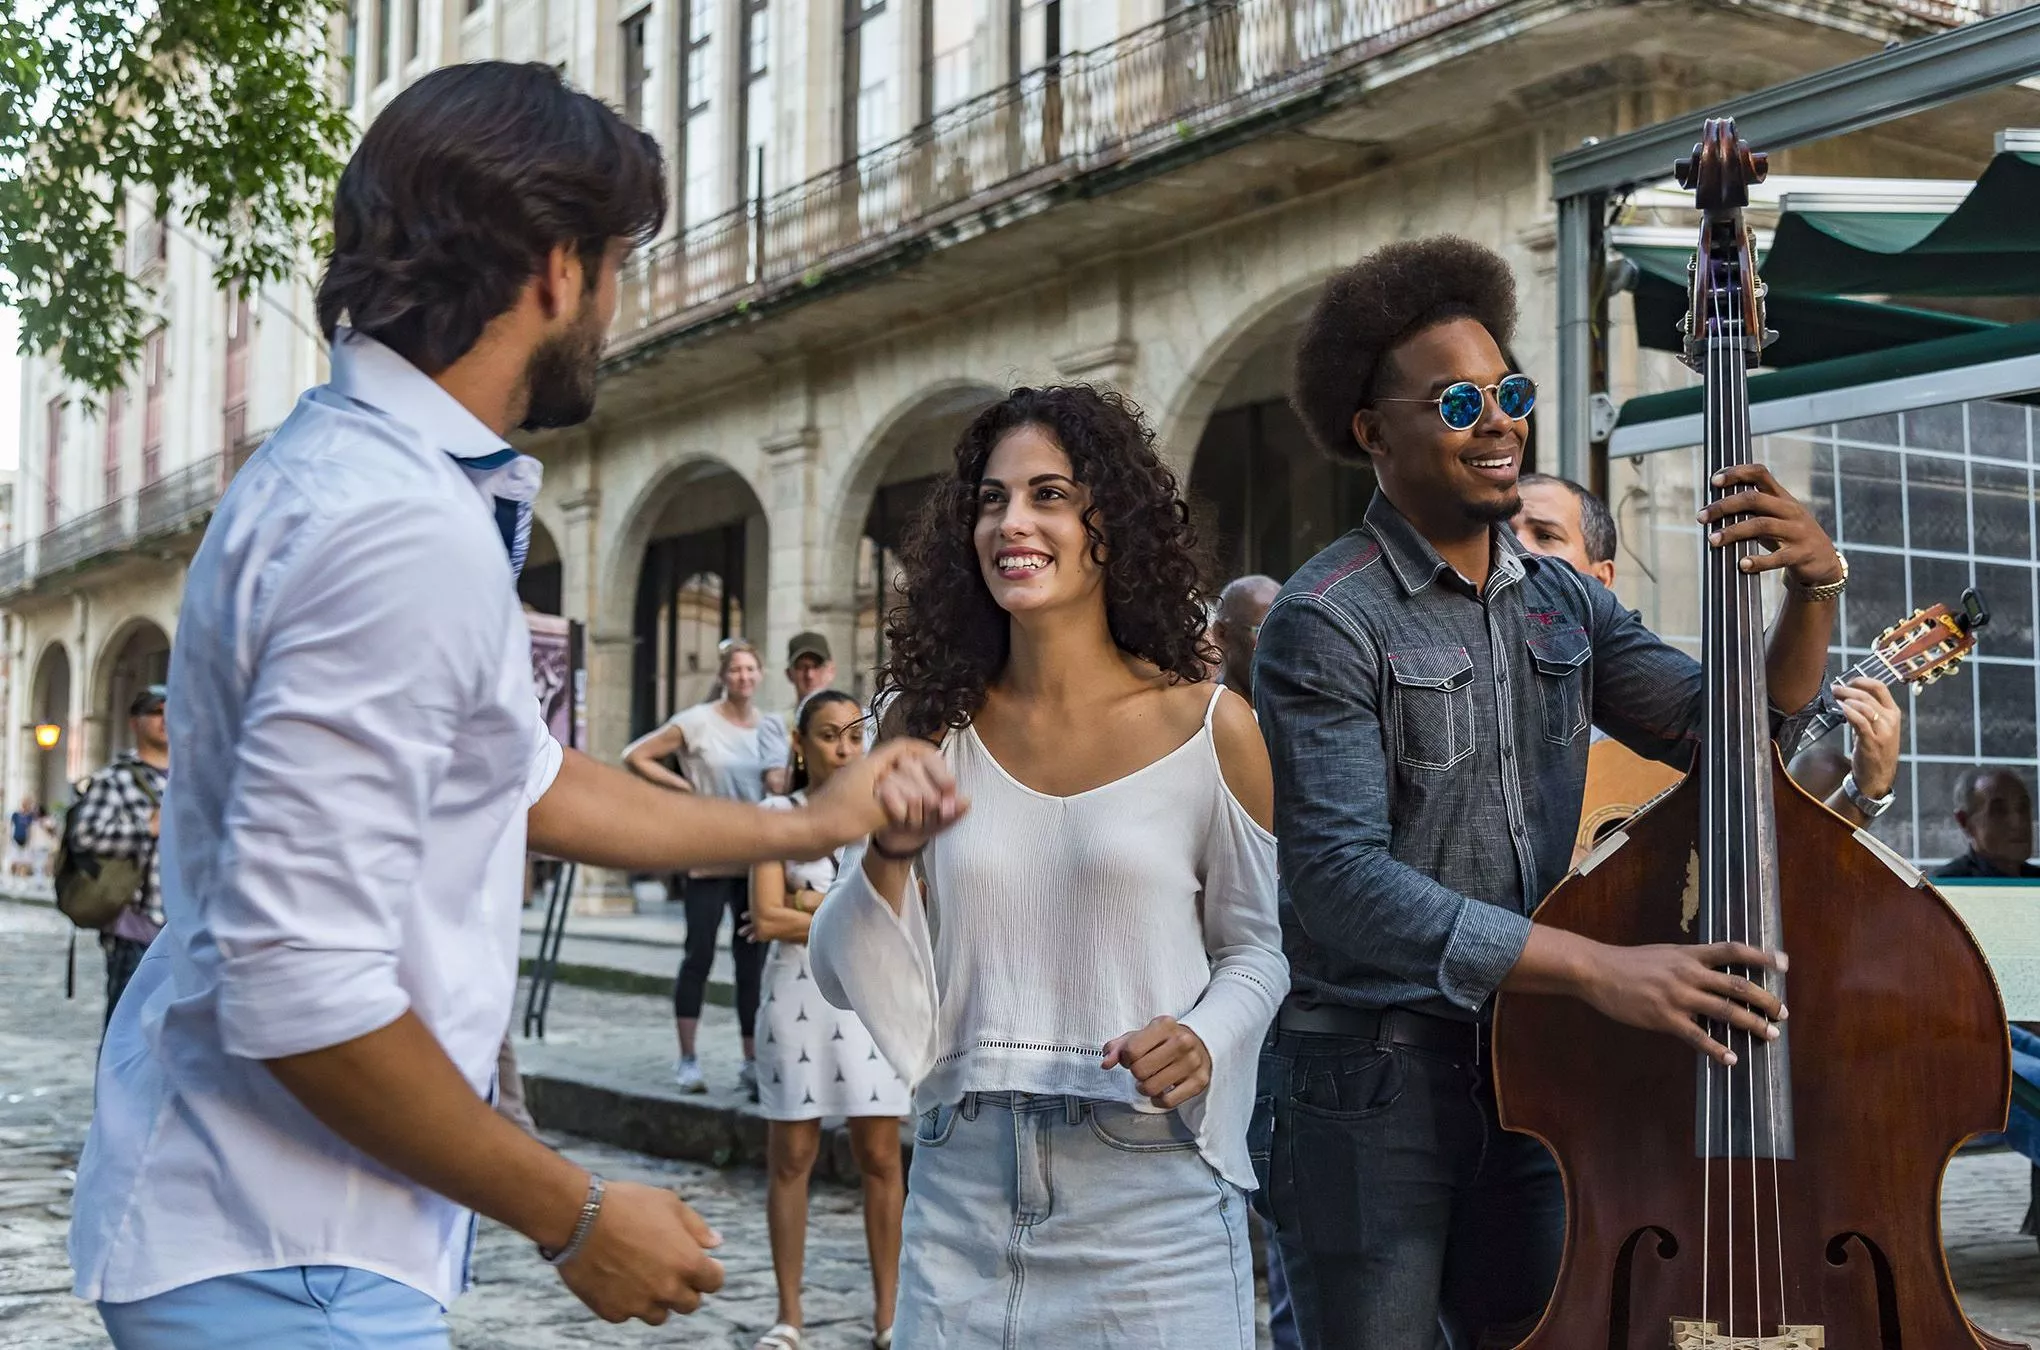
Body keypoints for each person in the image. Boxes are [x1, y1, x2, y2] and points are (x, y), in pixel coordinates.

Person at [69, 62, 961, 1349]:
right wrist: (576, 1212)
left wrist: (812, 819)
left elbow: (529, 779)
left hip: (286, 1242)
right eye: (614, 266)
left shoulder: (359, 477)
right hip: (287, 1255)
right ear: (557, 267)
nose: (614, 305)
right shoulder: (396, 529)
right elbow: (296, 984)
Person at [1255, 235, 1842, 1349]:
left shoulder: (1563, 603)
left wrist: (1813, 586)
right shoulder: (1324, 617)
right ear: (1373, 432)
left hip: (1530, 1067)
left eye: (1511, 391)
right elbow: (1337, 882)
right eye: (1462, 399)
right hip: (1370, 1086)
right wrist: (1602, 971)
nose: (1501, 420)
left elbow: (1735, 741)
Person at [811, 384, 1288, 1348]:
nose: (1012, 522)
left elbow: (1265, 948)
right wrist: (890, 857)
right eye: (991, 499)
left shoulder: (1209, 727)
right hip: (958, 1193)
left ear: (1112, 521)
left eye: (1049, 495)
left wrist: (1204, 1036)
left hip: (1152, 1207)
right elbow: (836, 965)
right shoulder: (921, 721)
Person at [1512, 473, 1903, 831]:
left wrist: (1814, 590)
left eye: (1545, 536)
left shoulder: (1631, 695)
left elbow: (1740, 732)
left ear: (1601, 579)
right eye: (1503, 534)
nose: (1518, 549)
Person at [747, 690, 909, 1350]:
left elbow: (901, 909)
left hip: (871, 999)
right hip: (794, 1001)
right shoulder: (775, 814)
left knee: (880, 1156)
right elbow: (764, 918)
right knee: (791, 1156)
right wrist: (844, 906)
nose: (843, 748)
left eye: (852, 735)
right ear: (800, 741)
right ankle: (788, 1315)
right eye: (828, 735)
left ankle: (889, 1316)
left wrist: (806, 897)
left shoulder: (883, 814)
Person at [624, 638, 786, 1098]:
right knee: (697, 955)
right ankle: (688, 1059)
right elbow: (636, 756)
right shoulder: (696, 722)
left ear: (760, 674)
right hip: (706, 855)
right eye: (735, 670)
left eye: (751, 669)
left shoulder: (770, 727)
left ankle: (751, 1062)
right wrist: (683, 788)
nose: (743, 677)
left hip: (754, 858)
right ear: (722, 675)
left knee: (751, 963)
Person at [68, 685, 171, 1027]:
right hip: (138, 924)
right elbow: (85, 835)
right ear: (135, 721)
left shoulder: (191, 777)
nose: (166, 718)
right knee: (126, 1033)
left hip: (187, 926)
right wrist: (146, 828)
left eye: (172, 710)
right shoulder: (116, 780)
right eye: (156, 711)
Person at [1934, 768, 2039, 878]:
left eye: (2023, 807)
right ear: (1964, 821)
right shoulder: (1946, 887)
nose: (2018, 822)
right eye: (1999, 811)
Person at [1212, 575, 1280, 697]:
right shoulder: (1200, 711)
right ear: (1222, 634)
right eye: (1263, 631)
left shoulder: (1301, 710)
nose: (1280, 644)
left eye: (1285, 631)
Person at [784, 633, 838, 705]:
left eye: (817, 666)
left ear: (831, 671)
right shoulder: (778, 716)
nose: (810, 675)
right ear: (789, 674)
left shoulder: (850, 715)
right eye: (801, 667)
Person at [9, 795, 37, 877]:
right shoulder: (15, 815)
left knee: (24, 861)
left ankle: (22, 878)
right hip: (15, 840)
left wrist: (31, 842)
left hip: (26, 841)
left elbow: (31, 829)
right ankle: (13, 878)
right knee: (14, 861)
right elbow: (10, 827)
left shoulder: (30, 816)